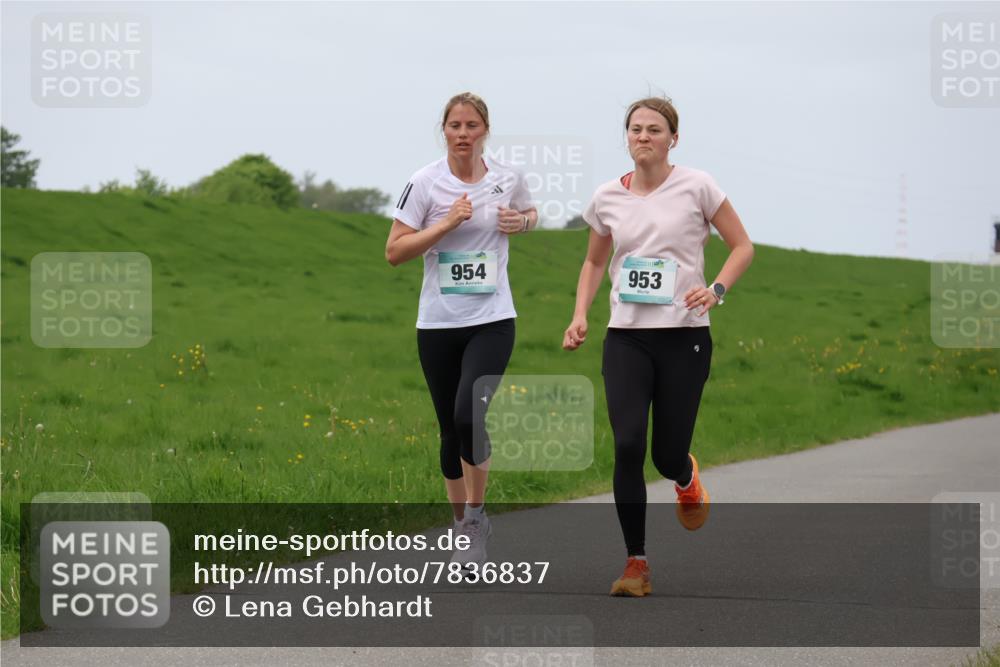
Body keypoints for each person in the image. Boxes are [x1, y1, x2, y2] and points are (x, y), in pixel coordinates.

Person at [562, 96, 754, 597]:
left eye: (653, 129)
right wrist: (580, 314)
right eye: (635, 129)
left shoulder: (698, 186)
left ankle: (685, 476)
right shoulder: (607, 196)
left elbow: (742, 246)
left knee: (666, 455)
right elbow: (594, 263)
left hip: (685, 337)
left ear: (673, 138)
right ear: (625, 138)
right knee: (627, 445)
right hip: (626, 338)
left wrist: (715, 291)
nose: (642, 137)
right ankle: (636, 564)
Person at [385, 92, 537, 570]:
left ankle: (476, 513)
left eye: (472, 125)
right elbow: (395, 251)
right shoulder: (424, 183)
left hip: (492, 319)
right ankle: (463, 527)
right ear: (444, 130)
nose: (464, 133)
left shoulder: (507, 179)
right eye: (455, 125)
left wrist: (521, 221)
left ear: (485, 130)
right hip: (437, 323)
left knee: (469, 412)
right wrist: (446, 223)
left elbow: (530, 214)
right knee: (449, 431)